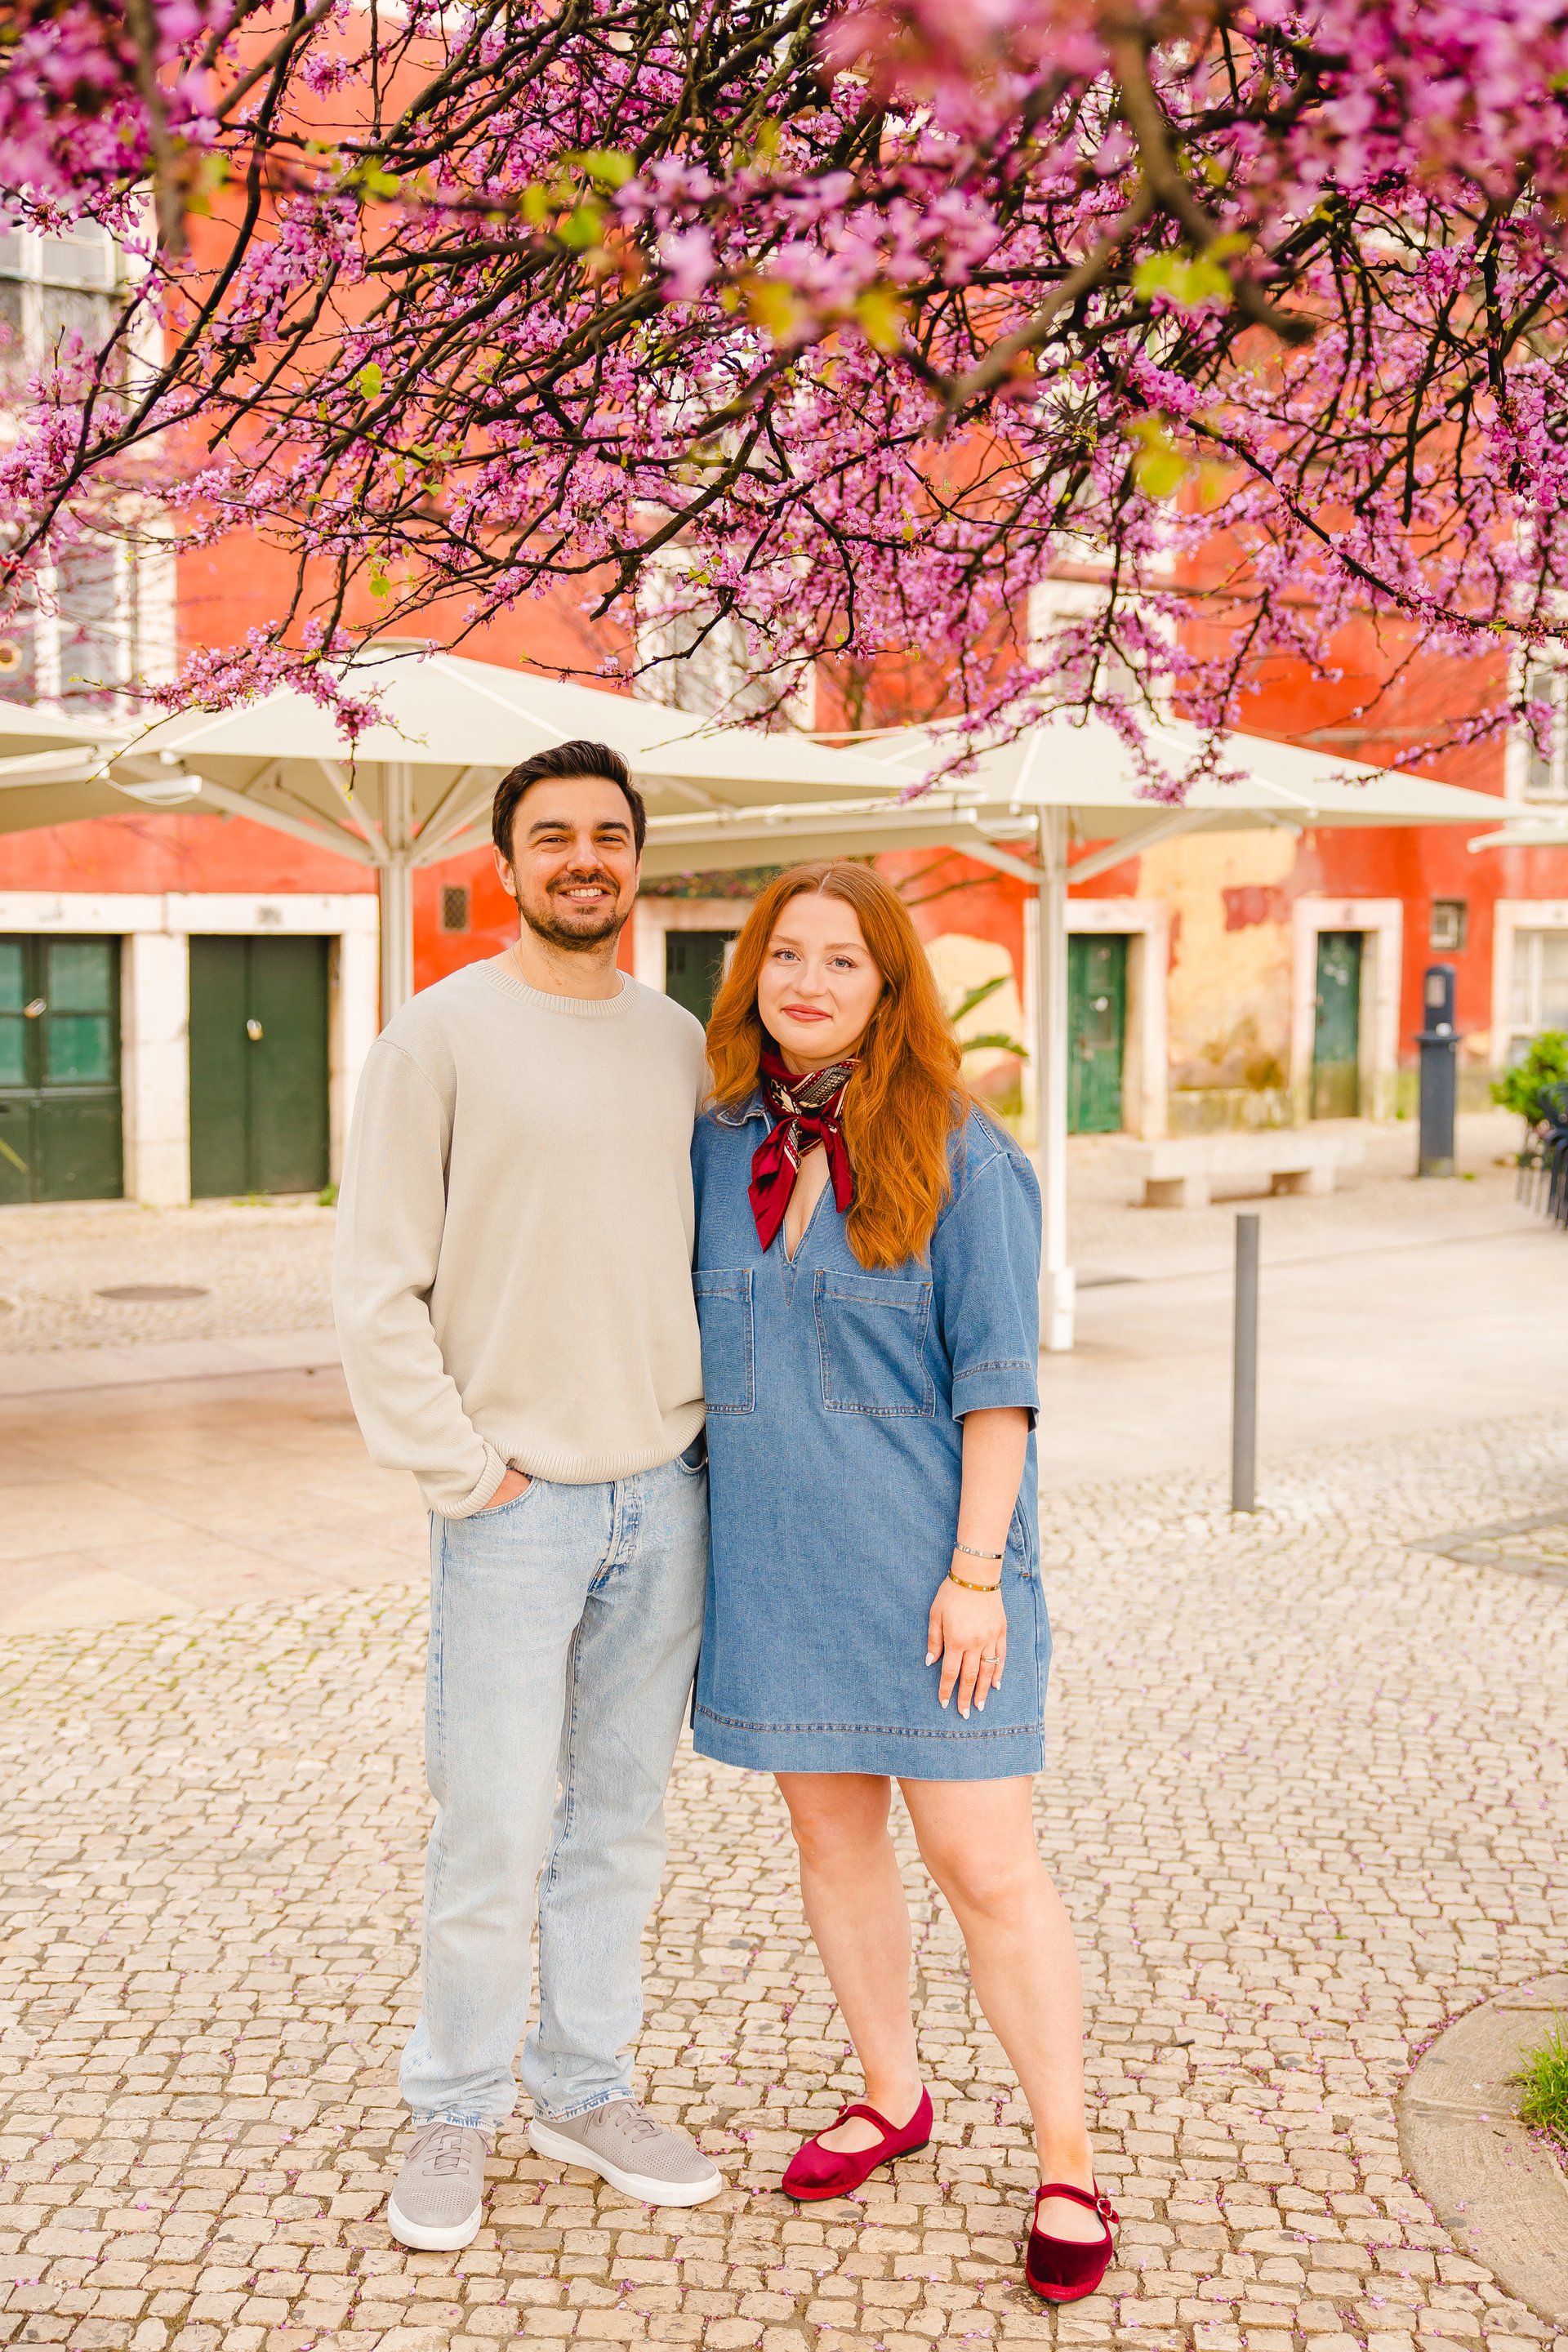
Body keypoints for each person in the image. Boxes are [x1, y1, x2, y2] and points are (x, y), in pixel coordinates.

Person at [689, 862, 1116, 2305]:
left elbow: (1000, 1387)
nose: (807, 982)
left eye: (842, 961)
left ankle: (1067, 2159)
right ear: (753, 974)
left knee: (985, 1866)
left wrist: (976, 1576)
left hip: (940, 1578)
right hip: (777, 1569)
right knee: (834, 1846)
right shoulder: (718, 1145)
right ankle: (893, 2093)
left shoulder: (966, 1154)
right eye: (785, 955)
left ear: (888, 987)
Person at [332, 739, 724, 2252]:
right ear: (505, 865)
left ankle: (584, 2088)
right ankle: (452, 2107)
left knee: (620, 1822)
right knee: (492, 1828)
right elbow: (377, 1287)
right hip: (515, 1505)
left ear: (636, 861)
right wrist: (466, 1471)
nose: (583, 859)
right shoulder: (435, 1039)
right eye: (552, 836)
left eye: (607, 836)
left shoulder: (681, 1044)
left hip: (664, 1493)